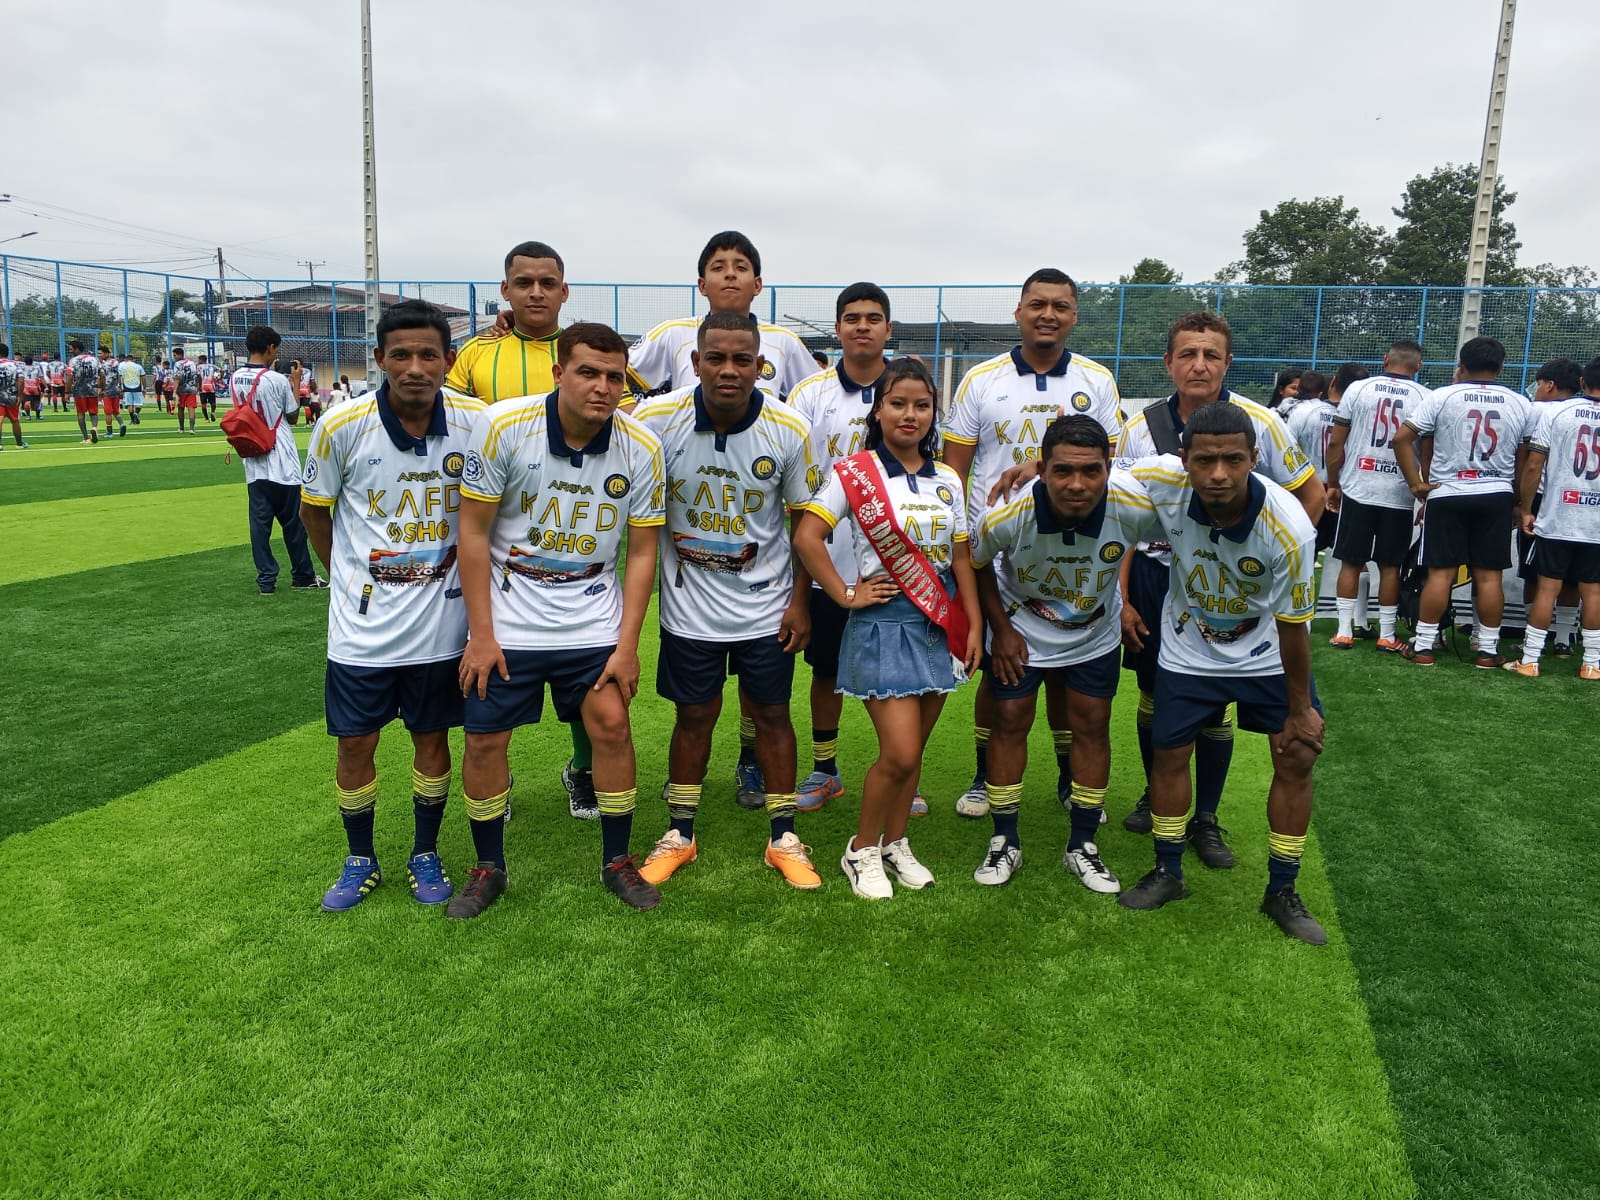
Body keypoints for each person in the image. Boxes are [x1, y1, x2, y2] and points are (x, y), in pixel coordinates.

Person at [455, 322, 666, 916]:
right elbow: (472, 533)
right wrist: (481, 634)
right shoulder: (502, 426)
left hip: (592, 621)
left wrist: (627, 646)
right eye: (587, 372)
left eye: (614, 377)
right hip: (510, 620)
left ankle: (618, 862)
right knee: (485, 740)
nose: (602, 387)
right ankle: (488, 867)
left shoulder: (642, 446)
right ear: (558, 373)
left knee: (612, 728)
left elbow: (642, 553)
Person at [1108, 312, 1322, 855]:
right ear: (1169, 363)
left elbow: (1312, 495)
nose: (1198, 365)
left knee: (1218, 702)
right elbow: (1122, 511)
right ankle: (1158, 800)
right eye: (1187, 354)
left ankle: (1206, 816)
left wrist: (1266, 564)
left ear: (1228, 363)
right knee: (1160, 695)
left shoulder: (1261, 422)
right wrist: (1124, 597)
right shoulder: (1140, 428)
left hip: (1241, 586)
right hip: (1157, 574)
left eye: (1211, 355)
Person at [299, 299, 487, 912]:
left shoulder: (477, 424)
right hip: (363, 632)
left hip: (443, 628)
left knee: (432, 740)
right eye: (400, 355)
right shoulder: (340, 426)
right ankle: (360, 858)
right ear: (379, 358)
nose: (414, 368)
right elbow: (314, 513)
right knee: (355, 744)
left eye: (428, 355)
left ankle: (424, 853)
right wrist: (348, 578)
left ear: (448, 360)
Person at [1116, 401, 1327, 944]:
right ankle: (1168, 870)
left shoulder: (1290, 528)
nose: (1218, 474)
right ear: (1182, 457)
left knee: (1297, 754)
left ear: (1254, 458)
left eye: (1233, 460)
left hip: (1267, 654)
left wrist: (1300, 709)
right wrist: (1035, 470)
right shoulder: (1159, 478)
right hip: (1188, 650)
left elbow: (1295, 629)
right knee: (1169, 754)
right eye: (1204, 460)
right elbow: (1089, 473)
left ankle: (1282, 889)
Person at [626, 231, 819, 809]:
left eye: (742, 360)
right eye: (715, 359)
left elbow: (805, 525)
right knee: (695, 714)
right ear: (695, 363)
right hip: (689, 610)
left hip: (766, 606)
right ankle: (680, 825)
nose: (729, 370)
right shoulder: (655, 420)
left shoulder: (790, 428)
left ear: (761, 366)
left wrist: (800, 602)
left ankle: (783, 832)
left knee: (772, 714)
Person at [794, 357, 983, 900]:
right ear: (878, 411)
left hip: (938, 623)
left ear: (933, 413)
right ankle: (861, 849)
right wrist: (844, 593)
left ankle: (896, 843)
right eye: (898, 403)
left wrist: (972, 625)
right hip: (882, 624)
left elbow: (961, 558)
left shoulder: (948, 478)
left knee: (914, 753)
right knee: (898, 753)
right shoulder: (853, 473)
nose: (910, 415)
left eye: (922, 405)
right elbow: (807, 537)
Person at [940, 268, 1124, 822]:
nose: (1048, 314)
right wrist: (961, 542)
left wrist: (1041, 466)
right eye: (1037, 304)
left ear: (1074, 316)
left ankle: (1070, 778)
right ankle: (983, 776)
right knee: (1001, 670)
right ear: (1018, 311)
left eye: (1060, 306)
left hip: (1073, 546)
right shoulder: (981, 380)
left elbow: (1108, 465)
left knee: (1071, 669)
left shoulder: (1098, 380)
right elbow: (955, 470)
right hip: (995, 549)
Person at [446, 241, 598, 820]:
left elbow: (628, 412)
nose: (536, 292)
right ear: (505, 290)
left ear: (564, 291)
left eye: (547, 282)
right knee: (489, 666)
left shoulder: (587, 350)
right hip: (494, 531)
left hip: (572, 529)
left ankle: (583, 770)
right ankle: (496, 780)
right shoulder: (477, 355)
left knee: (587, 674)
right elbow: (450, 419)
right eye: (524, 282)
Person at [970, 415, 1151, 890]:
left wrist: (1126, 602)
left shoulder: (1134, 502)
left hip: (1094, 631)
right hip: (1021, 628)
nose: (1077, 484)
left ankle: (1082, 845)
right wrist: (1000, 629)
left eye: (1091, 471)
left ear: (1109, 467)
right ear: (1043, 469)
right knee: (1011, 721)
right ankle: (1005, 840)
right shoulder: (1008, 513)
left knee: (1092, 724)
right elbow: (977, 562)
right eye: (1063, 470)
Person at [785, 282, 895, 813]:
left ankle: (901, 771)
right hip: (828, 560)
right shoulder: (809, 395)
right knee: (826, 670)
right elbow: (796, 493)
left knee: (895, 672)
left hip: (893, 564)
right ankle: (825, 770)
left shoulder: (907, 388)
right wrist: (799, 590)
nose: (862, 327)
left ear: (888, 329)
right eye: (852, 318)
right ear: (837, 328)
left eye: (873, 318)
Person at [1393, 336, 1535, 669]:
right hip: (1496, 493)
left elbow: (1401, 438)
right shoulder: (1520, 403)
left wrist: (1416, 484)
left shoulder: (1442, 395)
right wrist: (1518, 501)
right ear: (1500, 367)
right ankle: (1487, 650)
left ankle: (1423, 646)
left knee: (1440, 575)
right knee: (1489, 576)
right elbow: (1525, 459)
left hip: (1448, 492)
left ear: (1462, 364)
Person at [1326, 341, 1429, 651]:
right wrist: (1424, 491)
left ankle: (1344, 631)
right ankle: (1386, 634)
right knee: (1390, 566)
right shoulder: (1426, 396)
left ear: (1385, 360)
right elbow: (1428, 452)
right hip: (1399, 492)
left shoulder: (1358, 389)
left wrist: (1333, 482)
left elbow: (1336, 443)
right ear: (1418, 366)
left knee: (1350, 562)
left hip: (1359, 487)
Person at [1507, 356, 1600, 679]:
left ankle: (1530, 660)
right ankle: (1592, 664)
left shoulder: (1556, 411)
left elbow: (1534, 465)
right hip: (1596, 521)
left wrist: (1526, 508)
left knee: (1547, 587)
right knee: (1593, 591)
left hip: (1558, 513)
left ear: (1583, 382)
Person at [228, 326, 327, 595]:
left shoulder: (235, 377)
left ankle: (266, 580)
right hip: (281, 459)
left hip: (254, 461)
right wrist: (295, 381)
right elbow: (292, 416)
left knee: (259, 526)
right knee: (294, 524)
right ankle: (303, 576)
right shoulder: (275, 379)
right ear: (270, 347)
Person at [1514, 357, 1584, 656]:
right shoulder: (1584, 411)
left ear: (1550, 384)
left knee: (1538, 575)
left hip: (1545, 498)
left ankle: (1533, 643)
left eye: (1540, 383)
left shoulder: (1540, 411)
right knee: (1576, 578)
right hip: (1585, 501)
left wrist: (1522, 504)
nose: (1537, 388)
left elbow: (1528, 460)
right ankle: (1564, 639)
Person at [1286, 362, 1367, 554]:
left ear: (1333, 382)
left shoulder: (1303, 411)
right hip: (1347, 492)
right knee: (1352, 559)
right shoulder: (1363, 420)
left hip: (1307, 488)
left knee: (1303, 548)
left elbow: (1287, 451)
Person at [65, 339, 103, 444]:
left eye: (71, 349)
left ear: (77, 349)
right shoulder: (94, 359)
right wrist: (102, 388)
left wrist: (67, 392)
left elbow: (69, 377)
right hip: (92, 389)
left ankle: (86, 438)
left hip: (79, 391)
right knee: (93, 412)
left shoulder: (73, 361)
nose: (70, 351)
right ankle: (94, 428)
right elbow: (102, 375)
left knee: (80, 413)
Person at [98, 347, 128, 437]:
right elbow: (120, 376)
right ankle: (122, 424)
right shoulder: (116, 363)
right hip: (116, 389)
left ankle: (109, 432)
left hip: (107, 390)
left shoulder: (102, 364)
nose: (99, 355)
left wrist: (101, 389)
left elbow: (102, 378)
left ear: (107, 353)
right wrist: (121, 389)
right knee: (116, 411)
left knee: (108, 412)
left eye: (101, 353)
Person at [0, 345, 25, 449]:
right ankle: (19, 443)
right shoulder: (15, 364)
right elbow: (21, 380)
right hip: (11, 396)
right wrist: (20, 395)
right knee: (15, 420)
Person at [172, 348, 200, 434]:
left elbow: (177, 377)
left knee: (181, 408)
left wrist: (174, 391)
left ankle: (181, 428)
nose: (174, 357)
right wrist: (198, 386)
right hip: (191, 388)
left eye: (175, 355)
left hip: (181, 389)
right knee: (191, 408)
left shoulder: (177, 364)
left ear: (180, 355)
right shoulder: (192, 363)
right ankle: (192, 428)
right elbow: (197, 376)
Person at [119, 352, 147, 425]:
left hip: (126, 387)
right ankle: (136, 413)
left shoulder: (122, 367)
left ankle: (132, 420)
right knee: (138, 403)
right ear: (133, 359)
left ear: (126, 359)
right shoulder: (138, 366)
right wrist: (144, 388)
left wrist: (120, 387)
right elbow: (143, 377)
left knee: (129, 404)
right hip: (137, 386)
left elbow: (120, 377)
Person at [19, 354, 44, 421]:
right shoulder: (37, 368)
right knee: (37, 402)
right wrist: (46, 386)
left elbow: (20, 378)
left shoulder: (21, 368)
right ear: (32, 361)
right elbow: (41, 377)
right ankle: (38, 416)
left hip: (26, 388)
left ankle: (28, 416)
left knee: (26, 402)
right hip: (35, 388)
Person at [196, 354, 219, 423]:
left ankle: (206, 419)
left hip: (203, 385)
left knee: (203, 403)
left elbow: (198, 376)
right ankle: (213, 412)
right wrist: (218, 378)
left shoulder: (198, 367)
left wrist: (198, 386)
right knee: (213, 402)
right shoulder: (212, 366)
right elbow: (222, 370)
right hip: (211, 385)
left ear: (201, 360)